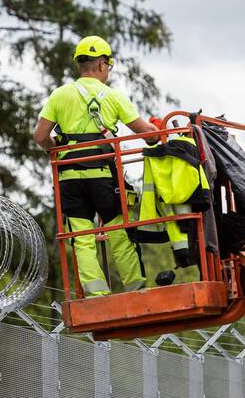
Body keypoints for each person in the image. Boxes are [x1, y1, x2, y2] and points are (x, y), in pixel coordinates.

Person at [32, 35, 157, 297]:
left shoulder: (59, 95)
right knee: (119, 233)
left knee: (82, 238)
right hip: (103, 177)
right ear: (102, 64)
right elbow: (146, 133)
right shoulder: (113, 97)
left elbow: (41, 137)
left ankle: (96, 296)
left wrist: (60, 149)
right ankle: (136, 289)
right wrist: (160, 131)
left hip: (68, 178)